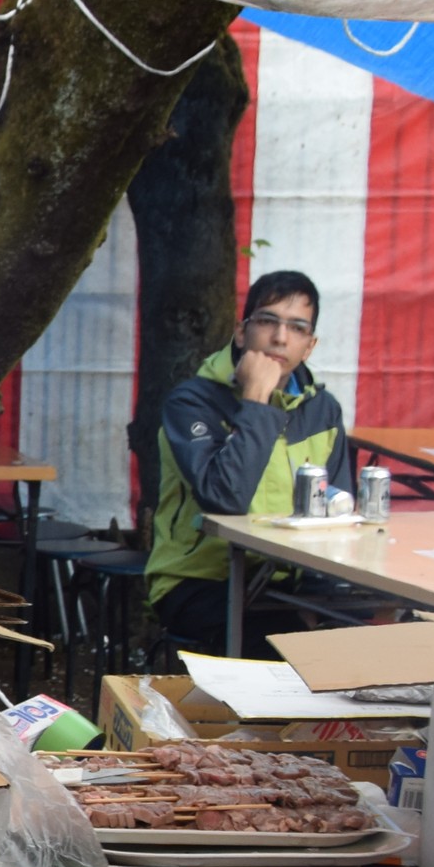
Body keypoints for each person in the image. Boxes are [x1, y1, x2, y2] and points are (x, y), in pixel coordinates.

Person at [143, 269, 360, 659]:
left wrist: (322, 602)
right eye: (268, 321)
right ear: (242, 333)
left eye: (297, 328)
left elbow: (338, 509)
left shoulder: (322, 409)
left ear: (309, 347)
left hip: (290, 582)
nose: (280, 337)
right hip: (199, 581)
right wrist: (257, 400)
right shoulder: (192, 402)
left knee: (386, 631)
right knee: (289, 649)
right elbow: (225, 498)